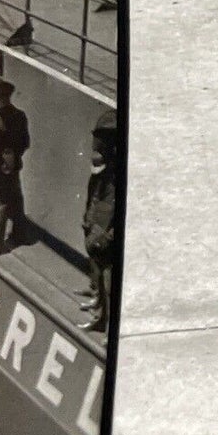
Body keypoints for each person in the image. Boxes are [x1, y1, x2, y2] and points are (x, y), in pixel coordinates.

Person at [80, 110, 117, 333]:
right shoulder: (99, 178)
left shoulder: (115, 182)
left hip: (105, 242)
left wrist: (106, 238)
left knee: (111, 288)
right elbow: (91, 201)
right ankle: (98, 313)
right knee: (100, 281)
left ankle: (108, 326)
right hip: (95, 236)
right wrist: (87, 222)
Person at [0, 79, 30, 255]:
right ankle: (20, 235)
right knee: (15, 200)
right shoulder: (20, 115)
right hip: (14, 166)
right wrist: (12, 157)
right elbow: (25, 142)